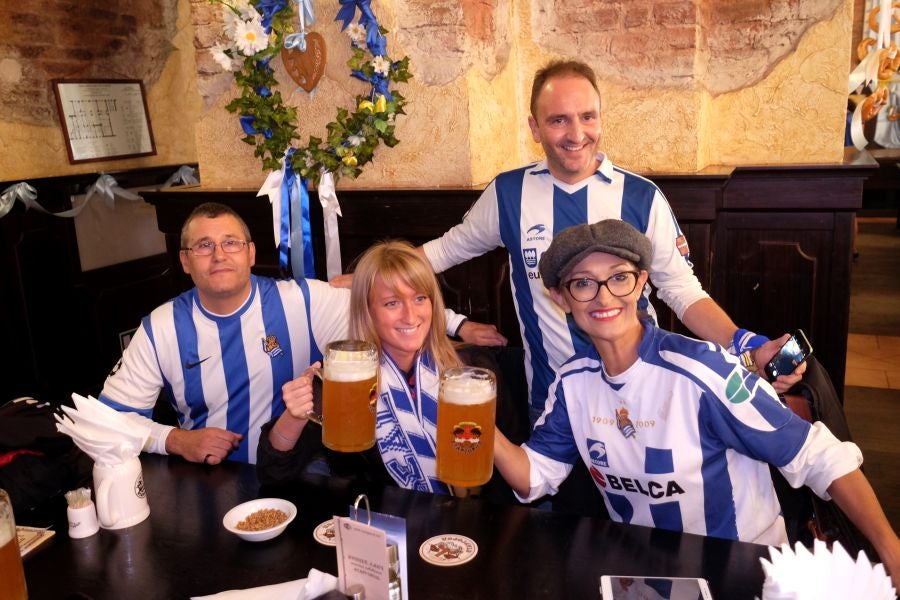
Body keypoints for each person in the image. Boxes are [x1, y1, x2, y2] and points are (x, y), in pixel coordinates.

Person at [492, 219, 900, 586]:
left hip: (741, 569)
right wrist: (476, 423)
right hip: (643, 572)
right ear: (560, 298)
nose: (603, 297)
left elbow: (817, 456)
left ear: (641, 283)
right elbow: (534, 477)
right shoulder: (573, 381)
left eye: (619, 278)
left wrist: (891, 549)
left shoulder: (701, 371)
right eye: (582, 283)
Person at [415, 59, 804, 422]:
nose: (576, 134)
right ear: (534, 128)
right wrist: (367, 278)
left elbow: (682, 290)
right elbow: (444, 252)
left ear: (601, 118)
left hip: (644, 397)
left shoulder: (640, 196)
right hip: (553, 405)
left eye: (587, 117)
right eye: (558, 120)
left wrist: (744, 343)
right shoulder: (507, 194)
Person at [98, 204, 476, 466]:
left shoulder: (301, 300)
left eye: (231, 243)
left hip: (295, 471)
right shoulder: (160, 327)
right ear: (184, 261)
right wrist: (176, 442)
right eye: (203, 246)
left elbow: (392, 309)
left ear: (250, 253)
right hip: (205, 477)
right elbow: (107, 421)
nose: (219, 255)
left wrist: (458, 323)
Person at [257, 240, 527, 499]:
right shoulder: (345, 377)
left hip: (471, 528)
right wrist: (294, 416)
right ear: (367, 310)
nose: (410, 316)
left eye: (420, 298)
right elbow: (273, 475)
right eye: (392, 303)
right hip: (385, 529)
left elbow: (511, 466)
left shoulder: (474, 367)